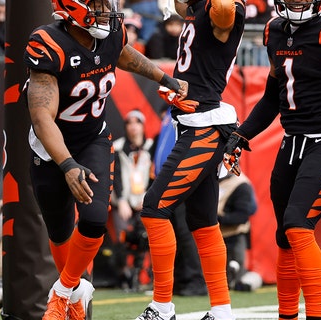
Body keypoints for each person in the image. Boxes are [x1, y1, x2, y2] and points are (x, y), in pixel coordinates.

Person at [24, 0, 188, 318]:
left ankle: (61, 291)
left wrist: (164, 79)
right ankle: (73, 296)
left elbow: (124, 54)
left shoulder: (112, 30)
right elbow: (43, 118)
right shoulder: (49, 43)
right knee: (58, 231)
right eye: (98, 4)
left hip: (92, 139)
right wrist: (68, 165)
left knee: (95, 219)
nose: (107, 11)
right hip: (49, 147)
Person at [222, 1, 321, 319]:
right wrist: (241, 134)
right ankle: (286, 315)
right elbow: (272, 97)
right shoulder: (274, 30)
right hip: (291, 145)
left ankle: (315, 315)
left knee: (298, 227)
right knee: (284, 237)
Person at [136, 0, 245, 318]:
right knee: (203, 222)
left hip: (206, 127)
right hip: (194, 126)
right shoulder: (198, 7)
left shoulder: (224, 8)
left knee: (155, 209)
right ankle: (222, 310)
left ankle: (161, 306)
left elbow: (224, 12)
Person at [151, 106, 207, 297]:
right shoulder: (169, 113)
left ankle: (197, 280)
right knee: (174, 233)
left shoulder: (186, 109)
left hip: (181, 180)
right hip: (167, 182)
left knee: (185, 232)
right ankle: (182, 278)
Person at [112, 109, 154, 291]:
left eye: (137, 122)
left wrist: (148, 198)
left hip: (145, 201)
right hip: (123, 202)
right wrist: (121, 200)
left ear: (143, 125)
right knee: (122, 238)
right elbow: (114, 176)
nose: (133, 126)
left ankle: (145, 275)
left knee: (148, 237)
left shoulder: (152, 146)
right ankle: (124, 276)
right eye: (129, 122)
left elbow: (157, 174)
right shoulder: (118, 147)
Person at [217, 169, 259, 291]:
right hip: (214, 235)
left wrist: (215, 219)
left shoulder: (241, 184)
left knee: (233, 280)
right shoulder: (216, 180)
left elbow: (241, 217)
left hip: (233, 236)